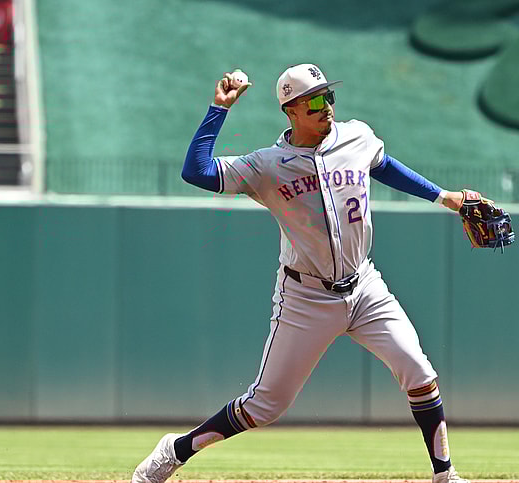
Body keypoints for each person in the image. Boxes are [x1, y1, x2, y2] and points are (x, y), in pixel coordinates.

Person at [132, 64, 486, 483]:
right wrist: (218, 109)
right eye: (316, 101)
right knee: (264, 407)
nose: (327, 107)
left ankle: (445, 475)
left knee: (420, 373)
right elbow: (197, 172)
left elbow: (384, 164)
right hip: (306, 297)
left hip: (365, 287)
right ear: (292, 110)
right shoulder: (266, 165)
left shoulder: (356, 136)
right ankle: (176, 449)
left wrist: (445, 198)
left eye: (329, 97)